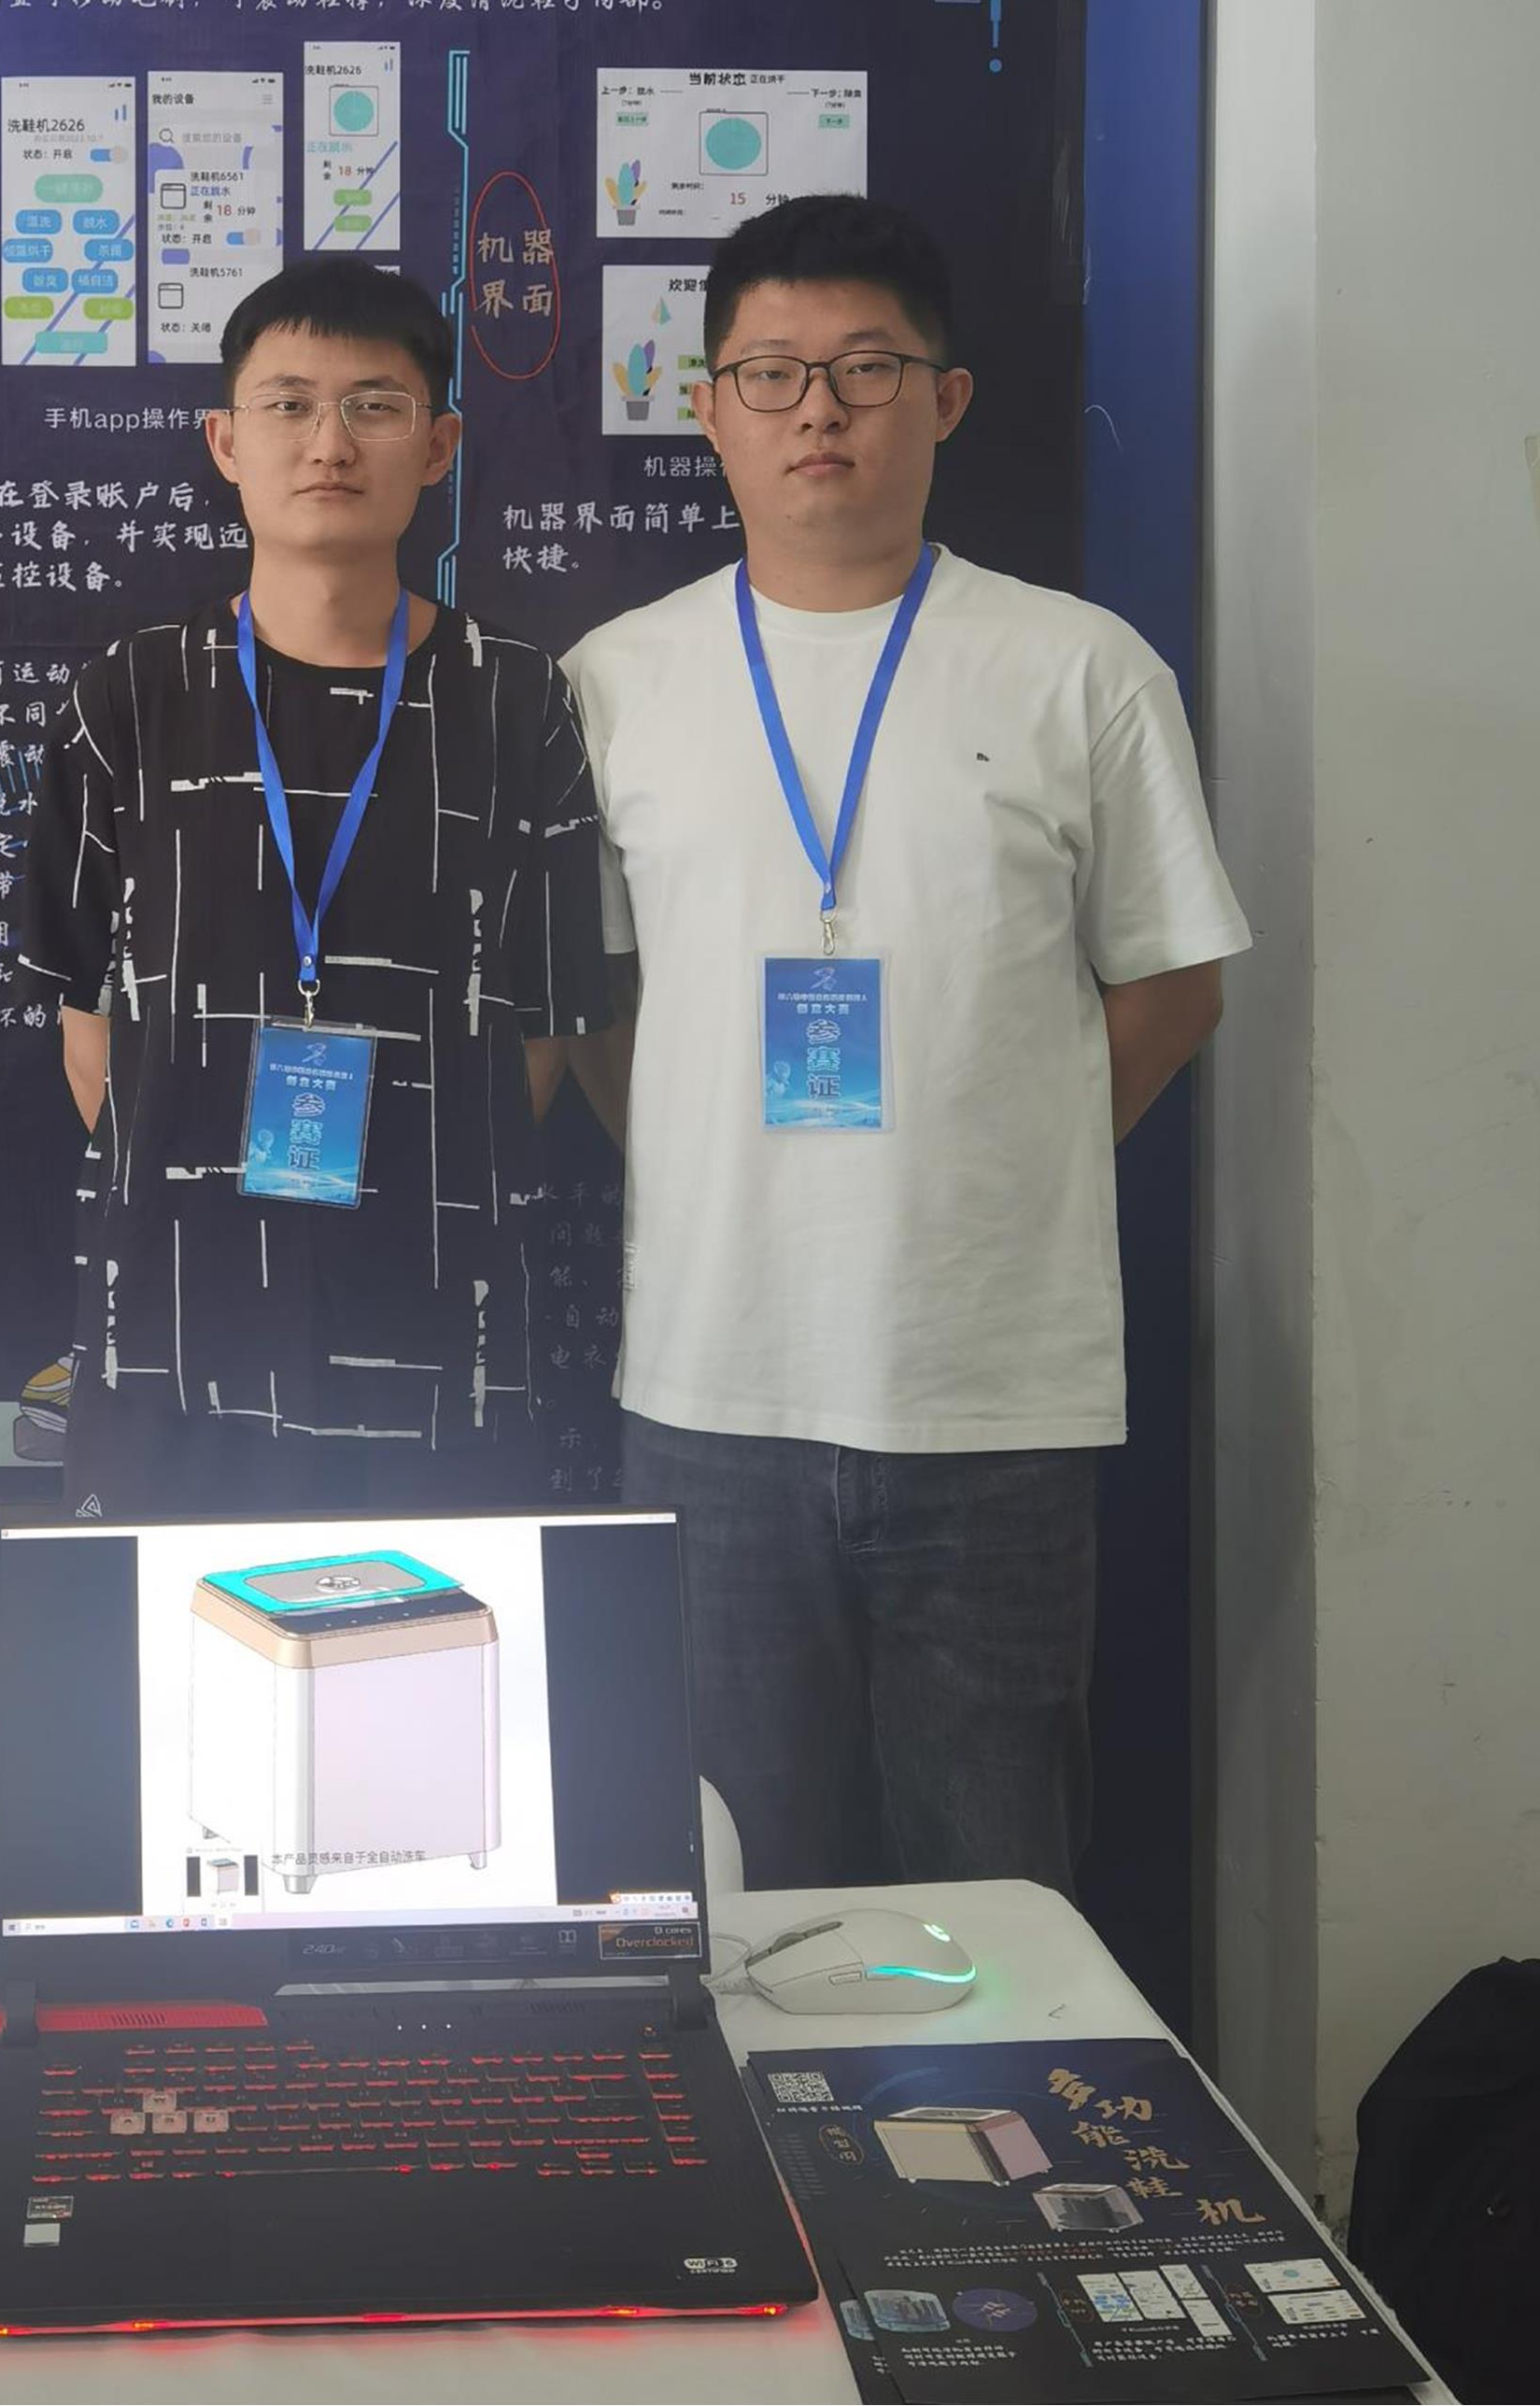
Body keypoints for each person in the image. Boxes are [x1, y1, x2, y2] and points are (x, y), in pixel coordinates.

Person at [564, 193, 1245, 1889]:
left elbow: (1175, 986)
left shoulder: (1080, 669)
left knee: (995, 1901)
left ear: (945, 399)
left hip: (988, 1393)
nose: (820, 409)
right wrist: (710, 1159)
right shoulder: (612, 683)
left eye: (866, 368)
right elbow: (591, 1008)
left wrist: (997, 1156)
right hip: (713, 1386)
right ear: (707, 403)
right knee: (738, 1898)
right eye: (772, 372)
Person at [16, 258, 620, 1516]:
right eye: (288, 404)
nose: (329, 443)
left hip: (441, 1330)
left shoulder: (515, 700)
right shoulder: (131, 697)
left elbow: (546, 1032)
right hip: (175, 1335)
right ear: (225, 441)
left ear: (439, 444)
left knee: (443, 1641)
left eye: (374, 406)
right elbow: (87, 1028)